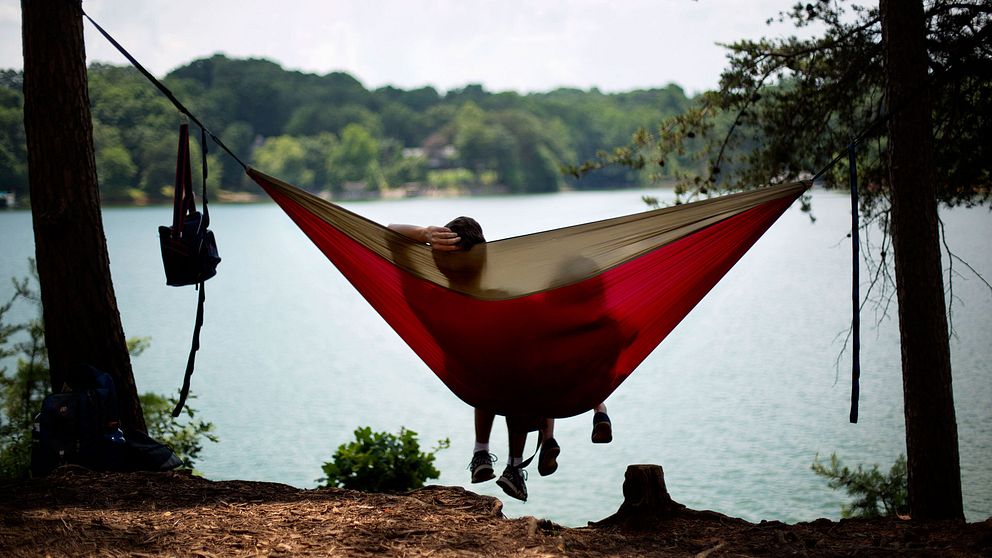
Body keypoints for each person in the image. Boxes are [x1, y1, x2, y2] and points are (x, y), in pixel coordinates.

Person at [388, 217, 613, 502]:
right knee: (518, 369)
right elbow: (555, 325)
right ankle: (517, 465)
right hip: (511, 381)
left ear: (437, 262)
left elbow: (391, 234)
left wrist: (424, 233)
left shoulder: (425, 295)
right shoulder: (505, 303)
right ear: (483, 259)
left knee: (500, 371)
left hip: (468, 375)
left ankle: (481, 451)